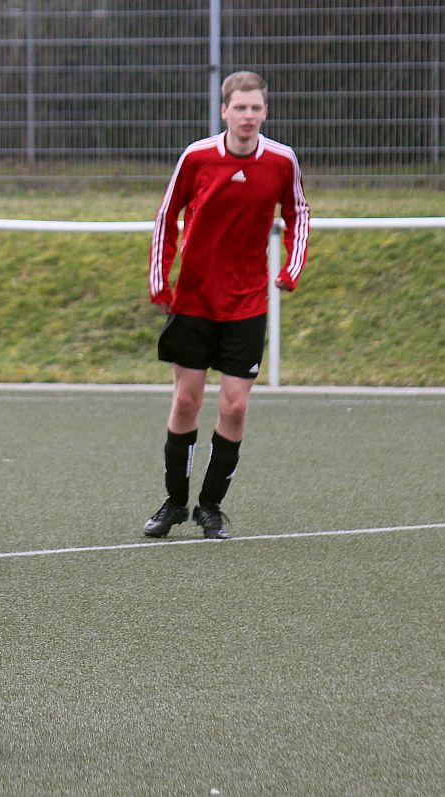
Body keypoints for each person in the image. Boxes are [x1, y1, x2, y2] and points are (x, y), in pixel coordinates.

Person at [143, 71, 309, 540]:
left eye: (256, 108)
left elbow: (299, 212)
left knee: (234, 409)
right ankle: (175, 502)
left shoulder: (281, 160)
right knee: (186, 400)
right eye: (241, 107)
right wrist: (162, 281)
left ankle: (210, 508)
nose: (249, 116)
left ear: (265, 111)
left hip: (247, 302)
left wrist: (290, 270)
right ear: (224, 111)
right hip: (194, 299)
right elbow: (166, 216)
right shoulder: (197, 157)